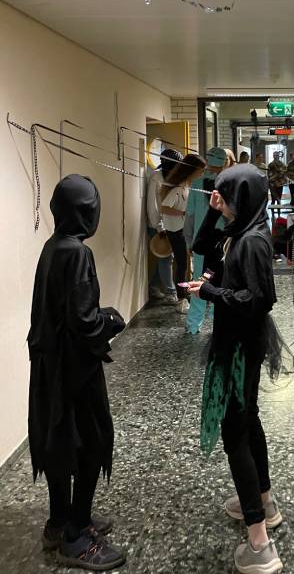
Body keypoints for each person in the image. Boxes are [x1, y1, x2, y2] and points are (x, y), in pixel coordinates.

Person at [188, 165, 284, 574]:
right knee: (248, 419)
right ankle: (264, 501)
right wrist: (214, 210)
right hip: (238, 342)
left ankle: (260, 543)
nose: (221, 203)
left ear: (241, 199)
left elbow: (258, 301)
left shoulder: (252, 243)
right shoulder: (239, 230)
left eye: (226, 197)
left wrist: (212, 291)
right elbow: (200, 245)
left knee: (235, 434)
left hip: (242, 348)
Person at [28, 175, 127, 570]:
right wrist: (111, 321)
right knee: (92, 441)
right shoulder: (78, 253)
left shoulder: (53, 247)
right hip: (75, 369)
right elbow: (85, 322)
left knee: (59, 440)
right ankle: (77, 535)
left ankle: (59, 521)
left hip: (49, 366)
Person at [183, 147, 228, 334]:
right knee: (222, 281)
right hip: (223, 245)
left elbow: (190, 217)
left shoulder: (196, 184)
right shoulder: (228, 184)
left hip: (202, 244)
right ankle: (220, 323)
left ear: (208, 162)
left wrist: (189, 242)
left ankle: (193, 325)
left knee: (200, 281)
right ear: (224, 163)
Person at [161, 153, 206, 312]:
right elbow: (164, 207)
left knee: (185, 264)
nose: (202, 173)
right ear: (192, 170)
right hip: (176, 231)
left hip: (182, 230)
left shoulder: (187, 185)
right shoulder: (178, 188)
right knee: (182, 265)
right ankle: (181, 298)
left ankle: (185, 293)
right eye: (201, 170)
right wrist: (183, 213)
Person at [146, 148, 182, 305]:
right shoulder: (156, 178)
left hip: (171, 224)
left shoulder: (174, 177)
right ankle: (171, 293)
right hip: (157, 226)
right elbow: (152, 206)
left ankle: (153, 287)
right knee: (166, 258)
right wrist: (159, 228)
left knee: (165, 256)